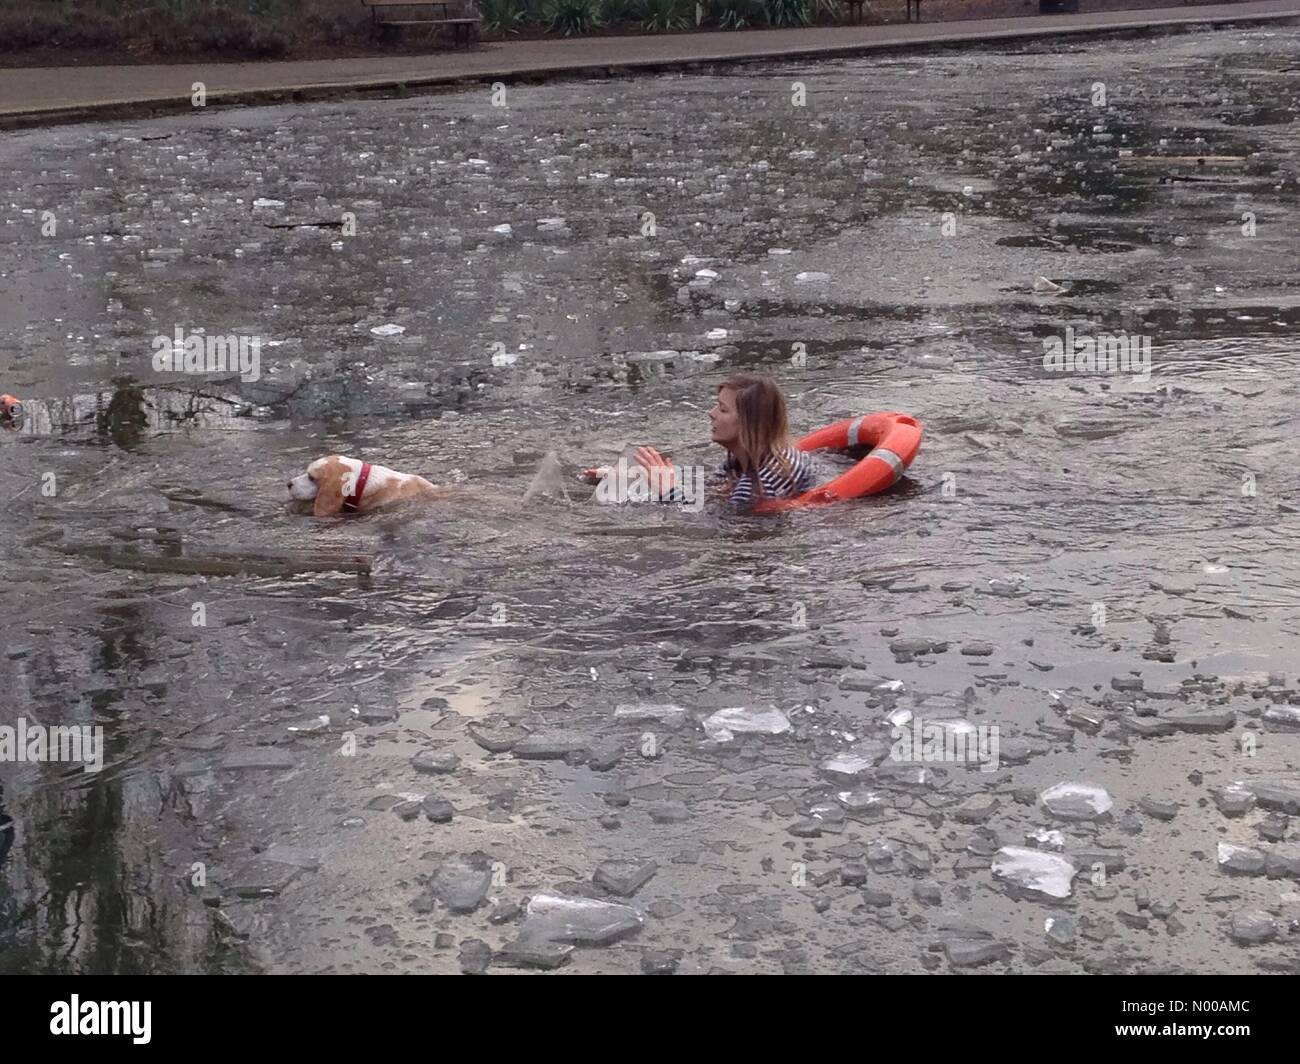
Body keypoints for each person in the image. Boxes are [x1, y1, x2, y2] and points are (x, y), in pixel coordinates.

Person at [634, 374, 818, 508]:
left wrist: (669, 493)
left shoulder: (754, 488)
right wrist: (624, 477)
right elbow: (707, 488)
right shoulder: (745, 460)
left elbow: (703, 527)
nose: (711, 414)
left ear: (748, 425)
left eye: (723, 410)